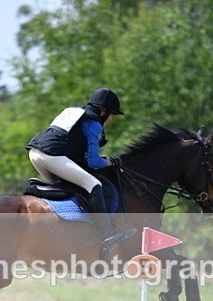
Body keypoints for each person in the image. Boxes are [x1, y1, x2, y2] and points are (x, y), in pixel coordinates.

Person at [27, 88, 134, 259]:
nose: (110, 120)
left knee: (70, 186)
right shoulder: (94, 123)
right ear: (103, 111)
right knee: (94, 185)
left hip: (35, 153)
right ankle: (107, 235)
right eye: (111, 115)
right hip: (52, 155)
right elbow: (93, 162)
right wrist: (112, 161)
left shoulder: (73, 112)